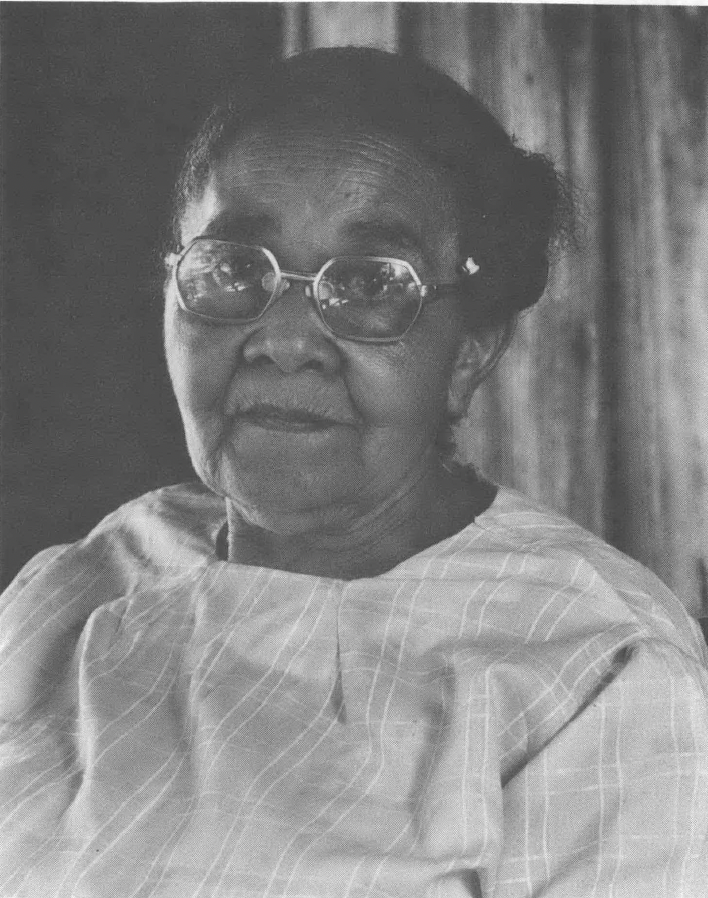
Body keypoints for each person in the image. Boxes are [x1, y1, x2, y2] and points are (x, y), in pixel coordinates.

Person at [0, 47, 706, 898]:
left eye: (372, 284)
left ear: (470, 351)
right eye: (232, 269)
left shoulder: (598, 677)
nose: (285, 340)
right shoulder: (77, 591)